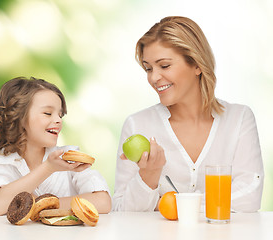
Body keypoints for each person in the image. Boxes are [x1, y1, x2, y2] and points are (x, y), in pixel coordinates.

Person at [113, 16, 264, 212]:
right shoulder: (137, 124)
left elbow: (249, 197)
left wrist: (174, 205)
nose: (153, 77)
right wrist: (148, 176)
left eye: (164, 65)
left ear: (197, 64)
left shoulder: (239, 119)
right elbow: (120, 211)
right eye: (148, 68)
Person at [0, 77, 111, 215]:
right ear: (19, 118)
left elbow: (103, 202)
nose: (58, 120)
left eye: (60, 115)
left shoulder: (68, 156)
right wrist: (48, 168)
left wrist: (40, 204)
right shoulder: (3, 160)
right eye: (48, 113)